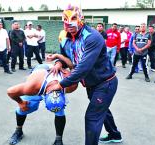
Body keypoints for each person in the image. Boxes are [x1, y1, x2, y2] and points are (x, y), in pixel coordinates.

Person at [46, 5, 122, 145]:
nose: (69, 24)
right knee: (101, 110)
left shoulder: (92, 37)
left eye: (73, 19)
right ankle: (115, 135)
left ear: (81, 19)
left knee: (92, 117)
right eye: (66, 20)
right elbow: (64, 56)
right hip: (91, 84)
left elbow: (83, 67)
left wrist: (60, 84)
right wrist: (58, 63)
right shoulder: (65, 38)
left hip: (105, 83)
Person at [7, 55, 77, 145]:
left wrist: (59, 62)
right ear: (45, 94)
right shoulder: (32, 86)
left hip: (53, 76)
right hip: (40, 73)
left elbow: (72, 66)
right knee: (25, 107)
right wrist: (20, 102)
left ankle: (59, 140)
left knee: (58, 109)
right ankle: (18, 130)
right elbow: (10, 91)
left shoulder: (71, 84)